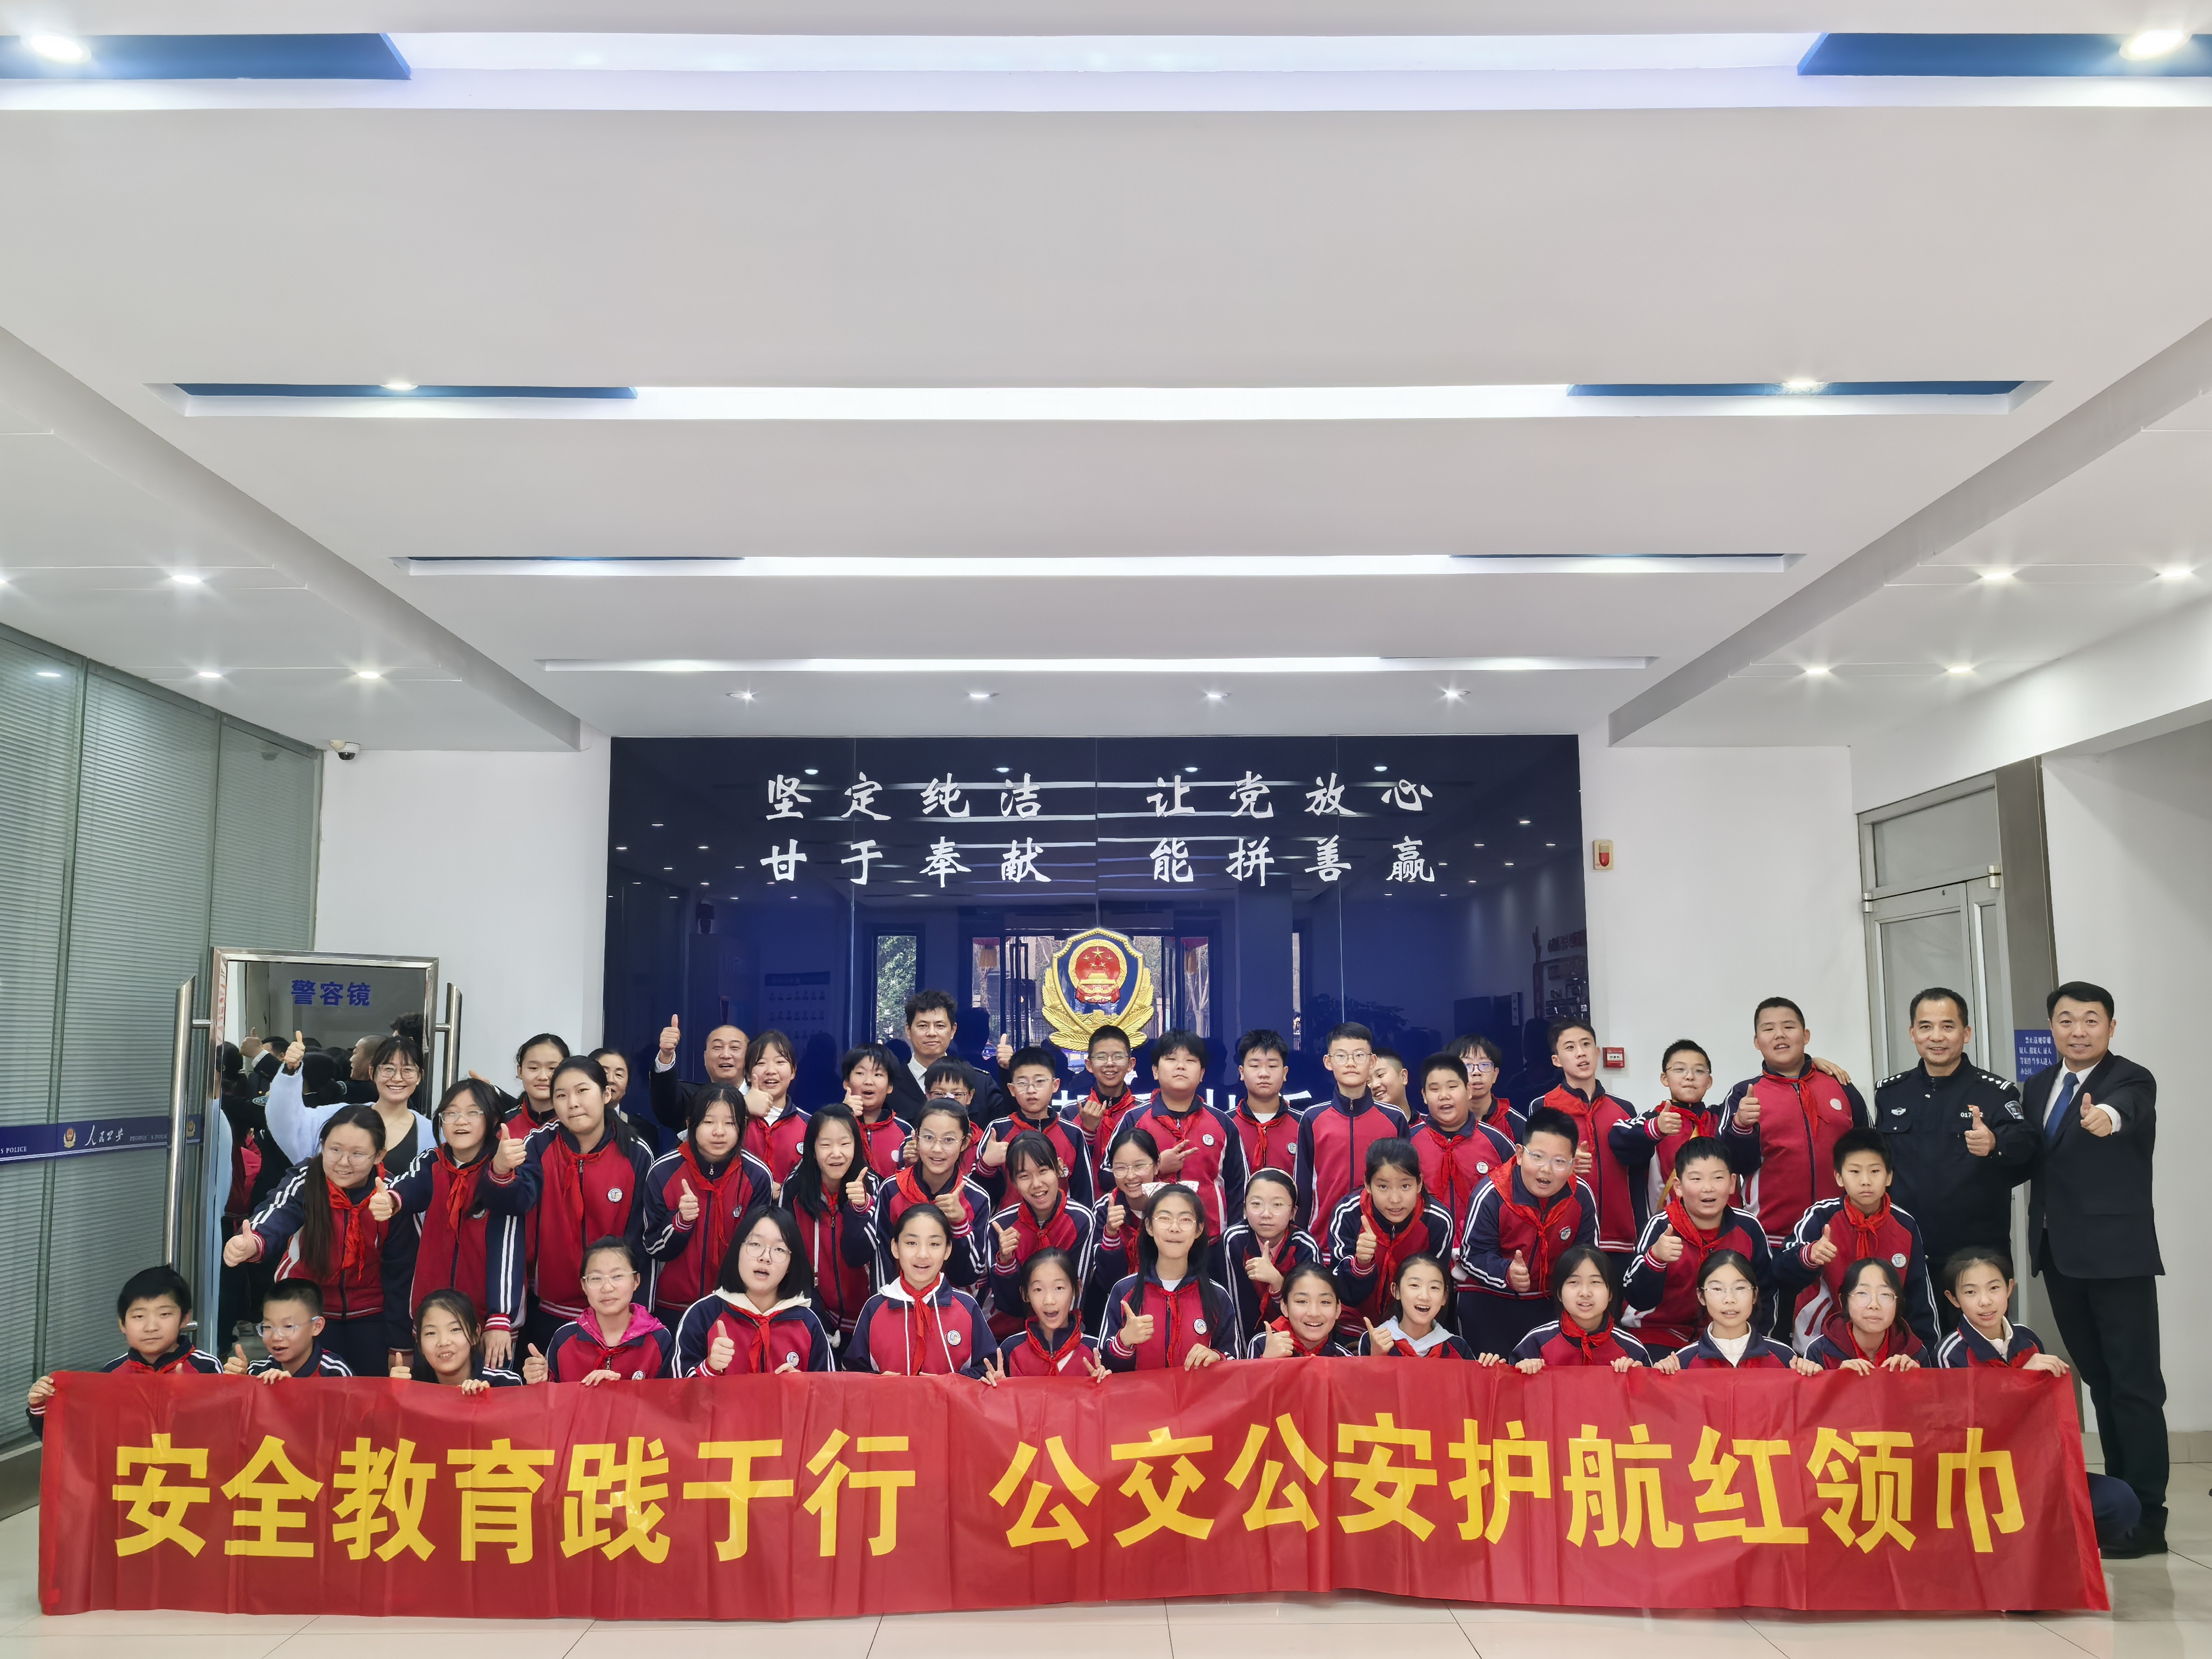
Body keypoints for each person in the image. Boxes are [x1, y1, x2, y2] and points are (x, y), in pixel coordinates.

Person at [2022, 980, 2167, 1557]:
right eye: (2066, 1020)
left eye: (2090, 1020)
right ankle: (2121, 1508)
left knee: (2135, 1387)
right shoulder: (2038, 1086)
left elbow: (2125, 1110)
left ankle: (2148, 1518)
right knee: (2100, 1383)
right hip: (2060, 1256)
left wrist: (2105, 1116)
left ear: (2110, 1027)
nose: (2077, 1031)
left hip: (2118, 1258)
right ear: (2051, 1027)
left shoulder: (2131, 1079)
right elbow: (2035, 1157)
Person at [1876, 988, 2035, 1331]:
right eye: (1926, 1027)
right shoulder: (1890, 1093)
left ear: (1966, 1033)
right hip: (1905, 1249)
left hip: (1975, 1255)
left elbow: (2027, 1147)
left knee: (1979, 1350)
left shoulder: (1995, 1093)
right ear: (1912, 1033)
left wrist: (1995, 1143)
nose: (1936, 1037)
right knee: (1907, 1348)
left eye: (1948, 1026)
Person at [225, 1105, 415, 1377]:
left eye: (357, 1154)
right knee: (301, 1394)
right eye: (335, 1150)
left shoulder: (391, 1196)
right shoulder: (306, 1179)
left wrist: (401, 1346)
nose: (344, 1162)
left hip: (372, 1315)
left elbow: (401, 1275)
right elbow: (278, 1212)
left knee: (369, 1395)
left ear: (379, 1155)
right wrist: (253, 1241)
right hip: (306, 1317)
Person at [483, 1055, 653, 1352]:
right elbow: (513, 1205)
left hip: (614, 1311)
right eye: (561, 1096)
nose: (572, 1103)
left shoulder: (636, 1153)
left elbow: (642, 1238)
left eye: (582, 1091)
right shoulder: (538, 1145)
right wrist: (500, 1171)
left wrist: (637, 1312)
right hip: (550, 1309)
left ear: (606, 1094)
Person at [370, 1077, 522, 1368]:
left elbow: (508, 1245)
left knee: (488, 1391)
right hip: (434, 1317)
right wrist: (389, 1201)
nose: (460, 1121)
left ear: (493, 1119)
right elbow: (408, 1188)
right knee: (431, 1393)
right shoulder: (432, 1161)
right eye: (450, 1113)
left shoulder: (505, 1169)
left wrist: (500, 1317)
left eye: (472, 1112)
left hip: (491, 1320)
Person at [1720, 997, 1870, 1247]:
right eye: (1769, 1029)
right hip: (1771, 1239)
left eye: (1789, 1027)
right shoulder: (1744, 1095)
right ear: (1757, 1042)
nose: (1780, 1034)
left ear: (1806, 1035)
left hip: (1843, 1234)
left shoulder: (1840, 1085)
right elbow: (1731, 1165)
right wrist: (1741, 1126)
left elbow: (1871, 1152)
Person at [1773, 1128, 1940, 1352]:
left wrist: (1925, 1353)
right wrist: (1810, 1256)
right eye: (1854, 1171)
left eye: (1875, 1171)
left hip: (1888, 1348)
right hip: (1819, 1345)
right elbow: (1780, 1271)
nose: (1865, 1181)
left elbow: (1919, 1296)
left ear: (1889, 1176)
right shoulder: (1821, 1217)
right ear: (1839, 1177)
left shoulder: (1905, 1225)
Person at [1458, 1105, 1597, 1358]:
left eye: (1559, 1162)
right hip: (1491, 1298)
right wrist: (1506, 1273)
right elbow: (1472, 1256)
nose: (1546, 1170)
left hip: (1550, 1302)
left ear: (1572, 1165)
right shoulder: (1491, 1194)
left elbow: (1588, 1259)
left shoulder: (1582, 1197)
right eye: (1538, 1157)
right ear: (1520, 1154)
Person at [26, 1265, 221, 1437]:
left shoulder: (206, 1368)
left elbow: (225, 1430)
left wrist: (194, 1398)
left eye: (164, 1314)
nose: (151, 1327)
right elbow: (76, 1438)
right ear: (122, 1324)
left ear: (185, 1318)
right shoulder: (110, 1375)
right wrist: (42, 1406)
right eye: (139, 1316)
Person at [1621, 1137, 1772, 1353]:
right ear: (1679, 1187)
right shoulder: (1661, 1227)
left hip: (1727, 1337)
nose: (1708, 1188)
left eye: (1718, 1178)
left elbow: (1765, 1293)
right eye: (1696, 1179)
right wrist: (1656, 1258)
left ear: (1732, 1183)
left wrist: (1759, 1340)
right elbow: (1637, 1298)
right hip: (1658, 1333)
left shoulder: (1749, 1228)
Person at [640, 1083, 775, 1323]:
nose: (719, 1132)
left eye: (730, 1123)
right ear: (690, 1124)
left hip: (734, 1306)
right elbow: (652, 1247)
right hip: (670, 1306)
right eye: (709, 1122)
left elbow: (760, 1249)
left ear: (743, 1126)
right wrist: (680, 1223)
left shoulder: (757, 1176)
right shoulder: (663, 1172)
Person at [1530, 1017, 1645, 1265]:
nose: (1581, 1053)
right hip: (1564, 1234)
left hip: (1619, 1238)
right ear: (1557, 1060)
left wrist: (1642, 1230)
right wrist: (1565, 1164)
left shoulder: (1624, 1109)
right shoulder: (1543, 1107)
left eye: (1586, 1044)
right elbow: (1531, 1171)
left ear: (1597, 1052)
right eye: (1570, 1047)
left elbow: (1638, 1177)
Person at [675, 1206, 836, 1375]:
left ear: (790, 1264)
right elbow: (675, 1389)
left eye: (779, 1249)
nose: (765, 1257)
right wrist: (709, 1369)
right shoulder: (702, 1316)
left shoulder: (808, 1323)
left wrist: (803, 1386)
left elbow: (828, 1388)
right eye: (755, 1244)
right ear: (737, 1250)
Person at [1123, 1030, 1247, 1245]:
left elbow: (1238, 1187)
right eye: (1171, 1059)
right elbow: (1109, 1176)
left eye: (1190, 1061)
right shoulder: (1134, 1120)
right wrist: (1157, 1167)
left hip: (1212, 1241)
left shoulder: (1223, 1123)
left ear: (1202, 1073)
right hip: (1150, 1240)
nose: (1180, 1066)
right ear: (1155, 1071)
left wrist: (1232, 1240)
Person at [1295, 1022, 1410, 1248]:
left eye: (1359, 1055)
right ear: (1328, 1062)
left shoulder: (1394, 1119)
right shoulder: (1312, 1118)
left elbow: (1407, 1181)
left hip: (1381, 1242)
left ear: (1372, 1061)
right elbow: (1303, 1186)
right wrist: (1301, 1241)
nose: (1350, 1063)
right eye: (1341, 1056)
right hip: (1322, 1243)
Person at [1100, 1185, 1239, 1370]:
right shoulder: (1124, 1291)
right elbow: (1102, 1366)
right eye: (1165, 1218)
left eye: (1185, 1220)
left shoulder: (1217, 1296)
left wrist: (1217, 1357)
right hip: (1139, 1390)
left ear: (1199, 1229)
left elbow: (1235, 1362)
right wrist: (1124, 1341)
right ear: (1149, 1226)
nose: (1174, 1228)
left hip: (1197, 1390)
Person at [846, 1203, 993, 1376]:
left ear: (948, 1250)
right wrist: (879, 1383)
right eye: (911, 1243)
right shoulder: (875, 1308)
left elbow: (988, 1369)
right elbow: (852, 1373)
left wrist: (947, 1384)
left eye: (934, 1244)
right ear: (895, 1247)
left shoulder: (967, 1307)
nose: (922, 1254)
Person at [1330, 1137, 1456, 1337]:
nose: (1395, 1199)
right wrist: (1361, 1264)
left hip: (1412, 1332)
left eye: (1405, 1186)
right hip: (1352, 1329)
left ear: (1419, 1183)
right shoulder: (1348, 1214)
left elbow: (1436, 1290)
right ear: (1368, 1185)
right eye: (1383, 1187)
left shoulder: (1438, 1221)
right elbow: (1340, 1292)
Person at [266, 1030, 432, 1176]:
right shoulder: (338, 1116)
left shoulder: (432, 1134)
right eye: (389, 1069)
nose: (397, 1078)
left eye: (407, 1070)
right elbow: (287, 1122)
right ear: (372, 1073)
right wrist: (290, 1069)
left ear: (419, 1077)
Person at [781, 1103, 879, 1351]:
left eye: (845, 1144)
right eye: (825, 1145)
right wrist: (814, 1312)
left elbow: (859, 1257)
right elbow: (787, 1257)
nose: (836, 1153)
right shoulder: (794, 1188)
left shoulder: (874, 1187)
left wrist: (860, 1210)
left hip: (868, 1322)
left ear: (856, 1145)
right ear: (812, 1149)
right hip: (813, 1317)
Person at [870, 1096, 991, 1291]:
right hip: (899, 1302)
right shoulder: (892, 1189)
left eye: (949, 1140)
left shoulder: (977, 1198)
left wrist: (960, 1224)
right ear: (916, 1138)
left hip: (952, 1305)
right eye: (928, 1137)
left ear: (965, 1143)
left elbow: (969, 1275)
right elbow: (883, 1259)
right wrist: (888, 1301)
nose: (937, 1149)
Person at [983, 1130, 1096, 1338]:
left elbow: (1076, 1294)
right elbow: (1006, 1303)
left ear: (1059, 1168)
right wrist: (1006, 1261)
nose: (1036, 1184)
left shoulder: (1081, 1220)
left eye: (1043, 1171)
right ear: (1014, 1182)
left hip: (1064, 1331)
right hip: (1008, 1334)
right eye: (1024, 1176)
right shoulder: (1000, 1226)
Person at [523, 1237, 675, 1382]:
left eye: (617, 1276)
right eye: (596, 1278)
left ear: (636, 1281)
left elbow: (668, 1396)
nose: (607, 1288)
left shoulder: (658, 1339)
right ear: (584, 1286)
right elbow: (551, 1396)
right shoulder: (564, 1338)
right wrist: (541, 1379)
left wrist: (618, 1388)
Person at [1617, 1040, 1728, 1223]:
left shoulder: (1720, 1119)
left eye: (1699, 1071)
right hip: (1668, 1226)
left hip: (1721, 1225)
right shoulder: (1654, 1120)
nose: (1690, 1076)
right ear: (1665, 1078)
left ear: (1709, 1081)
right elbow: (1617, 1137)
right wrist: (1656, 1128)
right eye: (1680, 1070)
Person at [1654, 1251, 1818, 1373]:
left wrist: (1811, 1376)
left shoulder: (1784, 1357)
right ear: (1701, 1296)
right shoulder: (1683, 1363)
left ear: (1755, 1295)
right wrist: (1662, 1376)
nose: (1730, 1299)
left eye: (1740, 1288)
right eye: (1717, 1289)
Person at [1410, 1054, 1514, 1244]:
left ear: (1468, 1090)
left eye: (1452, 1087)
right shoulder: (1409, 1142)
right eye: (1435, 1089)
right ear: (1424, 1096)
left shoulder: (1497, 1143)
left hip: (1482, 1251)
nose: (1444, 1096)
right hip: (1424, 1252)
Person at [977, 1046, 1095, 1208]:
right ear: (1012, 1089)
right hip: (1010, 1222)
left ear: (1055, 1085)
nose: (1031, 1090)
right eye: (1022, 1083)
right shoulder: (998, 1131)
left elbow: (1083, 1192)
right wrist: (987, 1165)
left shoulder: (1073, 1133)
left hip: (1063, 1222)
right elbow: (977, 1194)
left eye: (1039, 1082)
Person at [1497, 1245, 1649, 1370]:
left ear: (1610, 1293)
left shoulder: (1632, 1349)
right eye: (1574, 1282)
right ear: (1559, 1293)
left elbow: (1648, 1393)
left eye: (1595, 1282)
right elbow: (1509, 1389)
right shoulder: (1536, 1343)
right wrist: (1522, 1371)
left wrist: (1636, 1376)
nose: (1585, 1293)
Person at [1937, 1246, 2073, 1372]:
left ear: (2009, 1288)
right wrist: (2023, 1377)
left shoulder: (2027, 1336)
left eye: (1994, 1288)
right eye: (1971, 1292)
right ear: (1954, 1299)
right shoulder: (1950, 1354)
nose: (1985, 1301)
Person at [1220, 1166, 1319, 1338]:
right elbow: (1235, 1307)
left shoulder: (1305, 1246)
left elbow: (1311, 1307)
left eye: (1277, 1205)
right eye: (1256, 1204)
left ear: (1293, 1212)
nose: (1266, 1214)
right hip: (1244, 1342)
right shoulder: (1234, 1241)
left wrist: (1277, 1281)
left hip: (1294, 1341)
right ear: (1245, 1210)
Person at [985, 1249, 1107, 1380]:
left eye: (1059, 1288)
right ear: (1025, 1294)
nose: (1049, 1300)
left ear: (1077, 1289)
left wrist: (1102, 1385)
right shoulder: (1010, 1350)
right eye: (1038, 1289)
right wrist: (999, 1387)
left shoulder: (1095, 1351)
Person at [888, 990, 1006, 1124]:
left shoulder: (980, 1082)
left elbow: (1007, 1124)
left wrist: (1009, 1069)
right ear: (909, 1030)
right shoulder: (890, 1085)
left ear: (953, 1030)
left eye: (940, 1026)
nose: (932, 1033)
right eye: (923, 1026)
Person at [1087, 1127, 1158, 1327]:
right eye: (1121, 1168)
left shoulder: (1175, 1203)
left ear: (1156, 1166)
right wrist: (1111, 1234)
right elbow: (1108, 1280)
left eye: (1139, 1166)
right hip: (1116, 1307)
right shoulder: (1104, 1209)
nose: (1130, 1176)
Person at [1803, 1256, 1924, 1372]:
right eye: (1862, 1293)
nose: (1874, 1305)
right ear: (1844, 1301)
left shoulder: (1914, 1352)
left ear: (1898, 1303)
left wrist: (1915, 1378)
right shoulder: (1819, 1351)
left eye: (1885, 1294)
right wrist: (1838, 1378)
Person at [390, 1289, 524, 1390]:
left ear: (475, 1335)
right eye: (431, 1333)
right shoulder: (412, 1385)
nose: (443, 1342)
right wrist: (395, 1395)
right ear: (419, 1343)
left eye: (455, 1330)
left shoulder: (504, 1384)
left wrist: (485, 1400)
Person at [221, 1282, 352, 1381]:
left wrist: (291, 1389)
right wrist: (241, 1381)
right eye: (268, 1327)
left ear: (316, 1326)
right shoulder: (257, 1371)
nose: (276, 1337)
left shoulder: (334, 1373)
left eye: (288, 1326)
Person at [648, 1014, 750, 1139]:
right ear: (705, 1058)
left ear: (749, 1056)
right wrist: (666, 1055)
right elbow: (666, 1104)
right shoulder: (691, 1099)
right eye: (717, 1047)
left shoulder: (766, 1096)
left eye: (734, 1048)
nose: (725, 1055)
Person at [1355, 1255, 1472, 1358]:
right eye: (1415, 1285)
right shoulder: (1374, 1340)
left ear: (1444, 1297)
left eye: (1434, 1288)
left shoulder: (1458, 1347)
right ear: (1396, 1291)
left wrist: (1482, 1368)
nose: (1425, 1296)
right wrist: (1376, 1357)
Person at [1228, 1029, 1301, 1181]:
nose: (1264, 1074)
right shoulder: (1225, 1124)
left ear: (1285, 1073)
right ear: (1242, 1072)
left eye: (1272, 1066)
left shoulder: (1303, 1125)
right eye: (1255, 1066)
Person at [1247, 1260, 1351, 1357]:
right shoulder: (1263, 1345)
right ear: (1284, 1307)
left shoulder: (1345, 1359)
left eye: (1325, 1302)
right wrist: (1267, 1361)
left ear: (1338, 1309)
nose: (1314, 1313)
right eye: (1302, 1302)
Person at [1071, 1024, 1139, 1170]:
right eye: (1101, 1057)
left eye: (1118, 1057)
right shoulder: (1072, 1112)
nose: (1110, 1063)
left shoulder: (1142, 1112)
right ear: (1089, 1065)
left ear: (1131, 1064)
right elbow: (1067, 1167)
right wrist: (1087, 1131)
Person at [838, 1042, 911, 1177]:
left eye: (878, 1075)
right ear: (846, 1083)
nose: (869, 1081)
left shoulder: (905, 1132)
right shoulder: (829, 1125)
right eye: (860, 1073)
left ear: (890, 1086)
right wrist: (843, 1116)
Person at [502, 1033, 571, 1141]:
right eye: (534, 1068)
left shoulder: (576, 1121)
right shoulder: (503, 1124)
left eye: (552, 1068)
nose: (543, 1077)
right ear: (520, 1072)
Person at [1455, 1034, 1519, 1141]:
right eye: (1467, 1066)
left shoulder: (1515, 1123)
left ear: (1495, 1075)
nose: (1476, 1072)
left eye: (1484, 1065)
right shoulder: (1445, 1121)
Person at [1368, 1047, 1413, 1118]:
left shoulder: (1428, 1124)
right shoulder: (1361, 1125)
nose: (1375, 1085)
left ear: (1403, 1077)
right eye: (1367, 1081)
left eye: (1380, 1075)